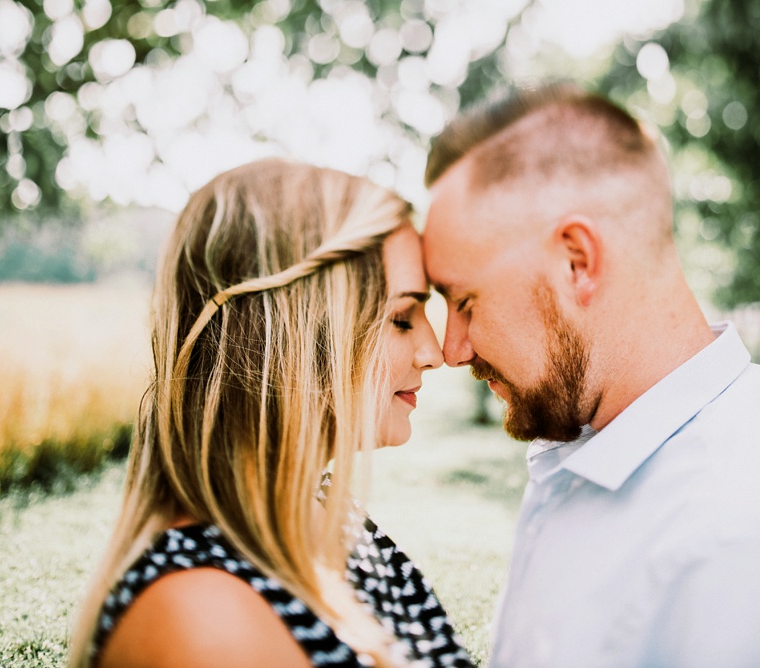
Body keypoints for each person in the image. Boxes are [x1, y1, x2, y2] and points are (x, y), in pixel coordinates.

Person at [422, 82, 760, 667]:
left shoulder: (748, 560)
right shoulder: (604, 436)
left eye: (464, 301)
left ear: (577, 261)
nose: (453, 349)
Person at [70, 159, 475, 668]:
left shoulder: (328, 512)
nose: (434, 351)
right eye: (400, 318)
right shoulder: (202, 621)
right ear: (292, 335)